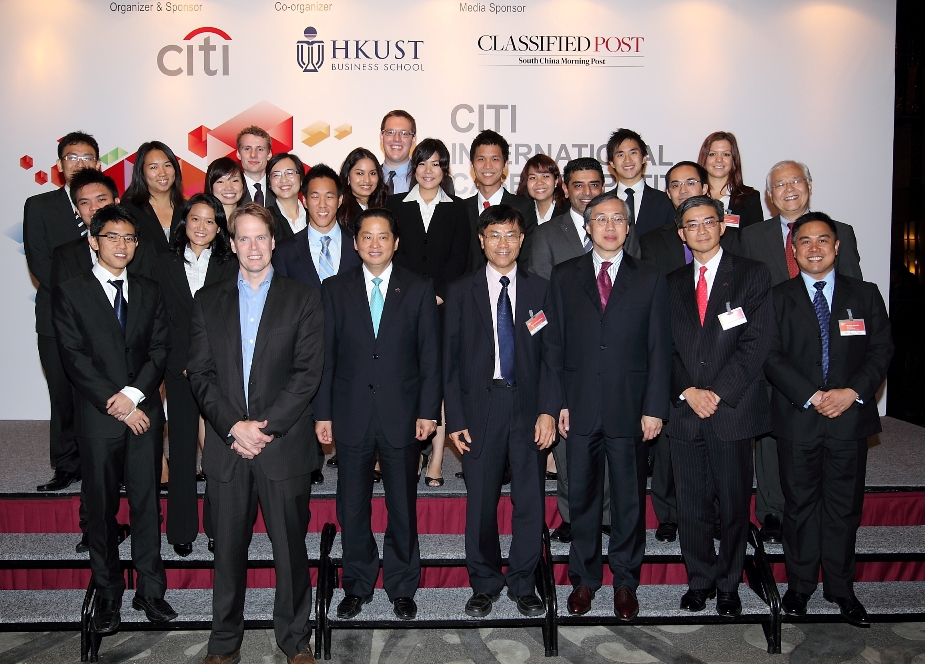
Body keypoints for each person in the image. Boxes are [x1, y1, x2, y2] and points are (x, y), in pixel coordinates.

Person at [187, 203, 324, 664]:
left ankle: (295, 641)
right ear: (232, 245)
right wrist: (233, 427)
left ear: (273, 241)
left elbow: (307, 374)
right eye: (243, 238)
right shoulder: (207, 300)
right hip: (228, 447)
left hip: (282, 445)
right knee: (227, 552)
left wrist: (262, 429)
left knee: (290, 552)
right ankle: (224, 643)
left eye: (260, 237)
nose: (252, 247)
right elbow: (200, 374)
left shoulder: (303, 298)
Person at [764, 212, 892, 626]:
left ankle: (842, 589)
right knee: (799, 506)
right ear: (794, 249)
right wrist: (812, 395)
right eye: (805, 241)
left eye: (823, 240)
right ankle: (800, 587)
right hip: (798, 418)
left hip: (848, 419)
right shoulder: (777, 297)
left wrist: (850, 392)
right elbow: (770, 355)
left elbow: (881, 351)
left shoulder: (866, 294)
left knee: (843, 507)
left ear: (837, 247)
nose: (814, 248)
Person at [53, 204, 175, 635]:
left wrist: (135, 396)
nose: (121, 245)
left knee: (146, 504)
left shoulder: (149, 289)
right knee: (102, 509)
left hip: (143, 414)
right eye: (111, 237)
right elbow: (73, 356)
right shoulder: (71, 290)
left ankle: (151, 591)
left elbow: (160, 349)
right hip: (100, 417)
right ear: (93, 240)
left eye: (129, 238)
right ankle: (108, 595)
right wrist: (116, 401)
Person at [549, 190, 671, 620]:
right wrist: (559, 402)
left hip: (630, 408)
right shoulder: (564, 275)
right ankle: (584, 579)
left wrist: (655, 407)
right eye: (600, 218)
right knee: (581, 500)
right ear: (587, 225)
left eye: (618, 218)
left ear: (627, 225)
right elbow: (555, 345)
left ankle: (625, 581)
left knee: (628, 500)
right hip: (579, 406)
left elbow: (659, 348)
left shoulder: (651, 277)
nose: (609, 226)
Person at [314, 208, 441, 622]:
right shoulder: (334, 289)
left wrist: (428, 411)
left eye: (382, 237)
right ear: (356, 243)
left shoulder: (419, 288)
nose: (374, 243)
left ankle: (402, 585)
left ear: (395, 242)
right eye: (366, 236)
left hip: (402, 414)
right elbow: (325, 357)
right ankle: (357, 584)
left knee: (402, 504)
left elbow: (430, 358)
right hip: (350, 413)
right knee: (352, 506)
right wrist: (323, 413)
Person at [444, 204, 560, 618]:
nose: (503, 243)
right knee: (481, 504)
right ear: (482, 240)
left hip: (528, 409)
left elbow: (552, 359)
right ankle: (485, 583)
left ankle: (523, 583)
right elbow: (450, 362)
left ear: (522, 239)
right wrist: (455, 420)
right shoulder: (461, 291)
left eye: (511, 235)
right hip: (480, 409)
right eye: (494, 235)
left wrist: (548, 411)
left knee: (529, 500)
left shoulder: (542, 290)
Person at [739, 160, 863, 544]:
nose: (789, 188)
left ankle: (821, 505)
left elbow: (854, 292)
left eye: (796, 180)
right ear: (769, 196)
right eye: (780, 184)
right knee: (774, 434)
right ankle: (774, 510)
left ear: (809, 186)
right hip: (774, 352)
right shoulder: (751, 236)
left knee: (830, 436)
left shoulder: (839, 232)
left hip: (828, 352)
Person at [665, 195, 773, 617]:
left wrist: (717, 392)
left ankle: (729, 583)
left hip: (732, 410)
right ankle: (700, 581)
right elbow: (662, 349)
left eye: (708, 221)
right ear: (682, 234)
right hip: (686, 411)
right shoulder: (670, 282)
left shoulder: (751, 274)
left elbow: (756, 342)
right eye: (691, 225)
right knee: (691, 506)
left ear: (721, 225)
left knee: (731, 504)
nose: (701, 230)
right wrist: (688, 391)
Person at [529, 157, 613, 543]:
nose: (587, 193)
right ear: (566, 188)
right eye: (578, 185)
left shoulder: (621, 229)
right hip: (566, 354)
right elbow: (542, 302)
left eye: (594, 185)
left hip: (611, 355)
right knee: (566, 447)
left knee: (610, 444)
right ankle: (570, 513)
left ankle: (607, 514)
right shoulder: (547, 234)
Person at [155, 193, 238, 557]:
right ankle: (182, 529)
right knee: (183, 449)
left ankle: (219, 528)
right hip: (178, 369)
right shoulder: (162, 263)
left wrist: (207, 362)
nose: (202, 227)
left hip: (219, 372)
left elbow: (234, 323)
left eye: (210, 221)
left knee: (219, 455)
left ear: (219, 227)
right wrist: (183, 361)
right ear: (183, 223)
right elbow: (159, 320)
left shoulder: (231, 264)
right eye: (195, 219)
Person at [386, 139, 469, 487]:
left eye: (436, 164)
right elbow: (391, 257)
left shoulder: (459, 209)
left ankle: (435, 460)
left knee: (440, 380)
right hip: (402, 308)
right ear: (412, 168)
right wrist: (412, 297)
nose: (429, 170)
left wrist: (438, 294)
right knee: (403, 379)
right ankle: (406, 453)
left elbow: (461, 260)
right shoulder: (394, 206)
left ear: (445, 170)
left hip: (442, 309)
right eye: (422, 163)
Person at [638, 161, 712, 543]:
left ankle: (706, 509)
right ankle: (667, 510)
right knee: (668, 440)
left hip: (717, 353)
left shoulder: (727, 234)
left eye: (691, 183)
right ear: (667, 194)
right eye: (676, 185)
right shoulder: (653, 240)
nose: (683, 190)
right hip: (671, 351)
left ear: (706, 186)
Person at [273, 164, 363, 479]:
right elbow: (280, 306)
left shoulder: (360, 245)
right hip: (303, 346)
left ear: (341, 200)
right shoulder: (284, 250)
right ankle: (310, 459)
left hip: (353, 345)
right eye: (314, 196)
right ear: (304, 200)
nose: (322, 204)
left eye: (329, 196)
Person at [25, 131, 100, 493]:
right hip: (56, 318)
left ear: (98, 164)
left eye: (87, 157)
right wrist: (84, 299)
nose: (80, 164)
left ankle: (101, 460)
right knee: (63, 393)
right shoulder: (38, 206)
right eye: (72, 158)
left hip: (106, 322)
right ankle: (66, 464)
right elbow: (41, 263)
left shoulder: (112, 209)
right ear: (59, 166)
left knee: (100, 395)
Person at [463, 130, 537, 272]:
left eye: (495, 159)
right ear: (472, 164)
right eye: (481, 159)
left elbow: (526, 260)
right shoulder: (462, 209)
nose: (488, 166)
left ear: (505, 164)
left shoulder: (524, 207)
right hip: (468, 291)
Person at [606, 128, 674, 237]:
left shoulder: (665, 202)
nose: (627, 160)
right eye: (620, 155)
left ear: (643, 158)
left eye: (633, 153)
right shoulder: (601, 203)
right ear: (611, 163)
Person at [122, 141, 185, 254]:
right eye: (154, 167)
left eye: (167, 165)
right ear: (141, 172)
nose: (162, 173)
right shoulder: (128, 211)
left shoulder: (189, 209)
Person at [697, 131, 764, 230]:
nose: (719, 159)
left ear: (734, 159)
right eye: (712, 154)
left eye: (726, 154)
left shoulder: (750, 198)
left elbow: (756, 240)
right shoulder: (693, 195)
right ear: (704, 158)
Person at [337, 147, 388, 228]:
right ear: (348, 177)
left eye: (372, 173)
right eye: (360, 173)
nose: (367, 180)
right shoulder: (339, 210)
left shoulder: (387, 206)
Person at [516, 154, 568, 226]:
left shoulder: (569, 211)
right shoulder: (519, 213)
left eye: (545, 176)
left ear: (556, 180)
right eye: (533, 178)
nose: (539, 182)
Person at [266, 152, 308, 242]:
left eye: (289, 173)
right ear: (269, 184)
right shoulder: (265, 219)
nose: (284, 180)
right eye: (276, 175)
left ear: (301, 179)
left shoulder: (315, 213)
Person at [236, 126, 275, 208]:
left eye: (260, 149)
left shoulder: (280, 188)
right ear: (238, 154)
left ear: (269, 154)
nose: (253, 155)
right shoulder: (230, 191)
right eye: (247, 149)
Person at [380, 110, 417, 195]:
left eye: (404, 133)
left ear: (413, 139)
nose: (397, 139)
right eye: (390, 132)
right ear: (382, 137)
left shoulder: (430, 180)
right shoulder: (367, 180)